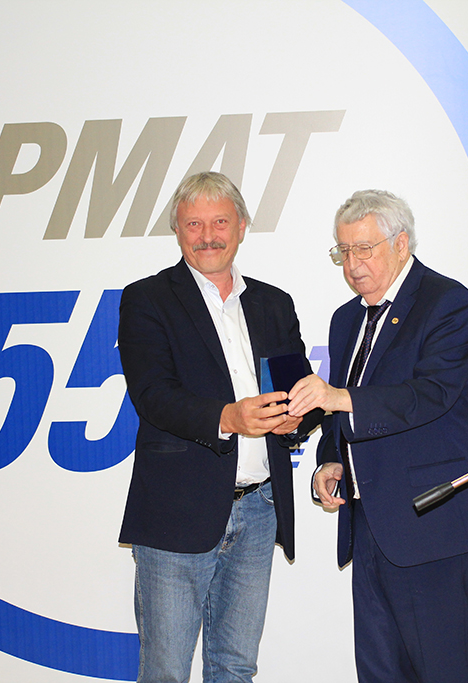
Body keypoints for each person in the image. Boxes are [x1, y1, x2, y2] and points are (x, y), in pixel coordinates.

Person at [287, 189, 468, 683]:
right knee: (379, 673)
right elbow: (343, 411)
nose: (352, 264)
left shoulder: (447, 303)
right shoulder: (346, 319)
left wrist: (337, 397)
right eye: (344, 251)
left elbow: (430, 394)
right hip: (370, 528)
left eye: (364, 249)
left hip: (433, 525)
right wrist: (331, 459)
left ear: (401, 244)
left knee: (445, 671)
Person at [117, 171, 321, 683]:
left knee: (235, 668)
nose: (207, 235)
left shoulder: (273, 303)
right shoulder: (147, 299)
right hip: (176, 511)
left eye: (220, 222)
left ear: (242, 226)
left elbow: (298, 390)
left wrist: (298, 417)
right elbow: (152, 396)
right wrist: (228, 417)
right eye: (194, 224)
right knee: (165, 672)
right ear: (177, 231)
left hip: (259, 510)